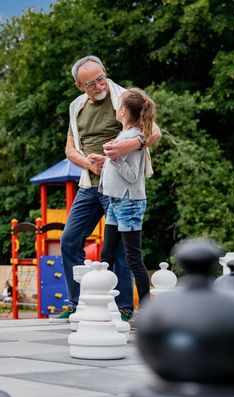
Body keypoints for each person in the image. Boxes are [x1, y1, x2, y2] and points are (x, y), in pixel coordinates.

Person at [54, 55, 161, 323]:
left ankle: (125, 308)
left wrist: (129, 146)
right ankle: (77, 303)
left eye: (101, 78)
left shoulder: (124, 97)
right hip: (90, 184)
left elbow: (154, 132)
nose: (99, 85)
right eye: (91, 83)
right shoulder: (76, 107)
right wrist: (88, 161)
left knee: (123, 250)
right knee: (69, 240)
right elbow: (69, 149)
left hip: (119, 189)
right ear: (80, 86)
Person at [100, 88, 156, 327]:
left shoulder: (132, 138)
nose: (115, 108)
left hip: (129, 202)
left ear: (123, 110)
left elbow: (132, 175)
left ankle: (146, 311)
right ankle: (102, 305)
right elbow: (117, 168)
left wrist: (115, 158)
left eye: (117, 105)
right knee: (106, 256)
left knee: (133, 257)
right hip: (115, 200)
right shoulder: (125, 135)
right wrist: (102, 161)